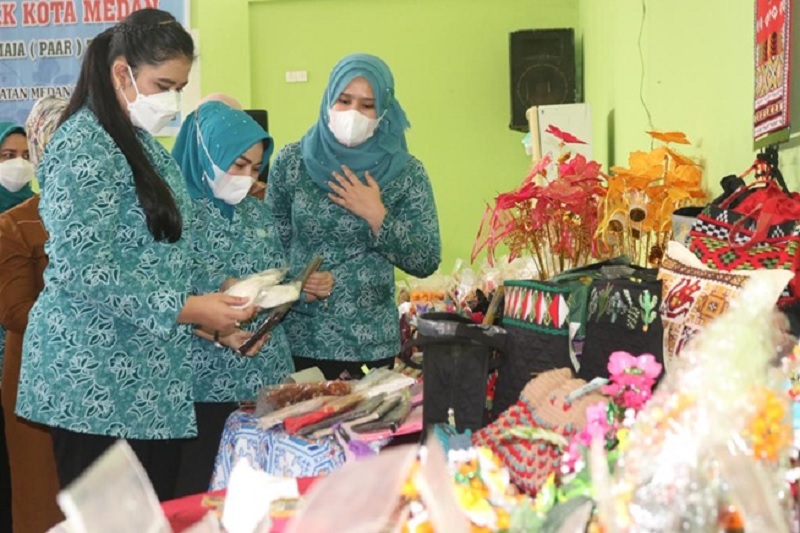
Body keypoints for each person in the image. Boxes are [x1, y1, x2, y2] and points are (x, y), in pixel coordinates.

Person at [15, 9, 255, 501]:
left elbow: (150, 255)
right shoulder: (83, 143)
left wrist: (207, 315)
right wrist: (191, 309)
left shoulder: (138, 142)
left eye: (180, 87)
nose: (172, 99)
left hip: (147, 379)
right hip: (93, 381)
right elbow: (87, 270)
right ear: (121, 73)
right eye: (163, 83)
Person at [266, 53, 442, 380]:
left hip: (371, 345)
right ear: (327, 99)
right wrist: (296, 282)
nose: (353, 114)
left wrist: (379, 217)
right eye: (344, 101)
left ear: (384, 111)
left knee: (366, 431)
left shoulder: (406, 173)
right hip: (298, 338)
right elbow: (268, 249)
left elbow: (427, 259)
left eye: (367, 105)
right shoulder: (292, 162)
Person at [170, 99, 295, 496]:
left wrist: (281, 291)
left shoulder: (255, 212)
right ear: (208, 153)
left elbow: (276, 271)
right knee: (201, 495)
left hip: (265, 380)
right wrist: (221, 294)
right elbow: (162, 293)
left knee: (262, 498)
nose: (247, 177)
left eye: (255, 168)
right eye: (238, 165)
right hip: (201, 385)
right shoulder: (172, 214)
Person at [0, 96, 67, 533]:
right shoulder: (18, 224)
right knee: (41, 496)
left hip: (105, 378)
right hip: (36, 377)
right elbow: (16, 312)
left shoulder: (117, 217)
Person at [0, 121, 34, 532]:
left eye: (26, 156)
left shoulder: (40, 212)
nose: (18, 165)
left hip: (23, 360)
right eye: (8, 157)